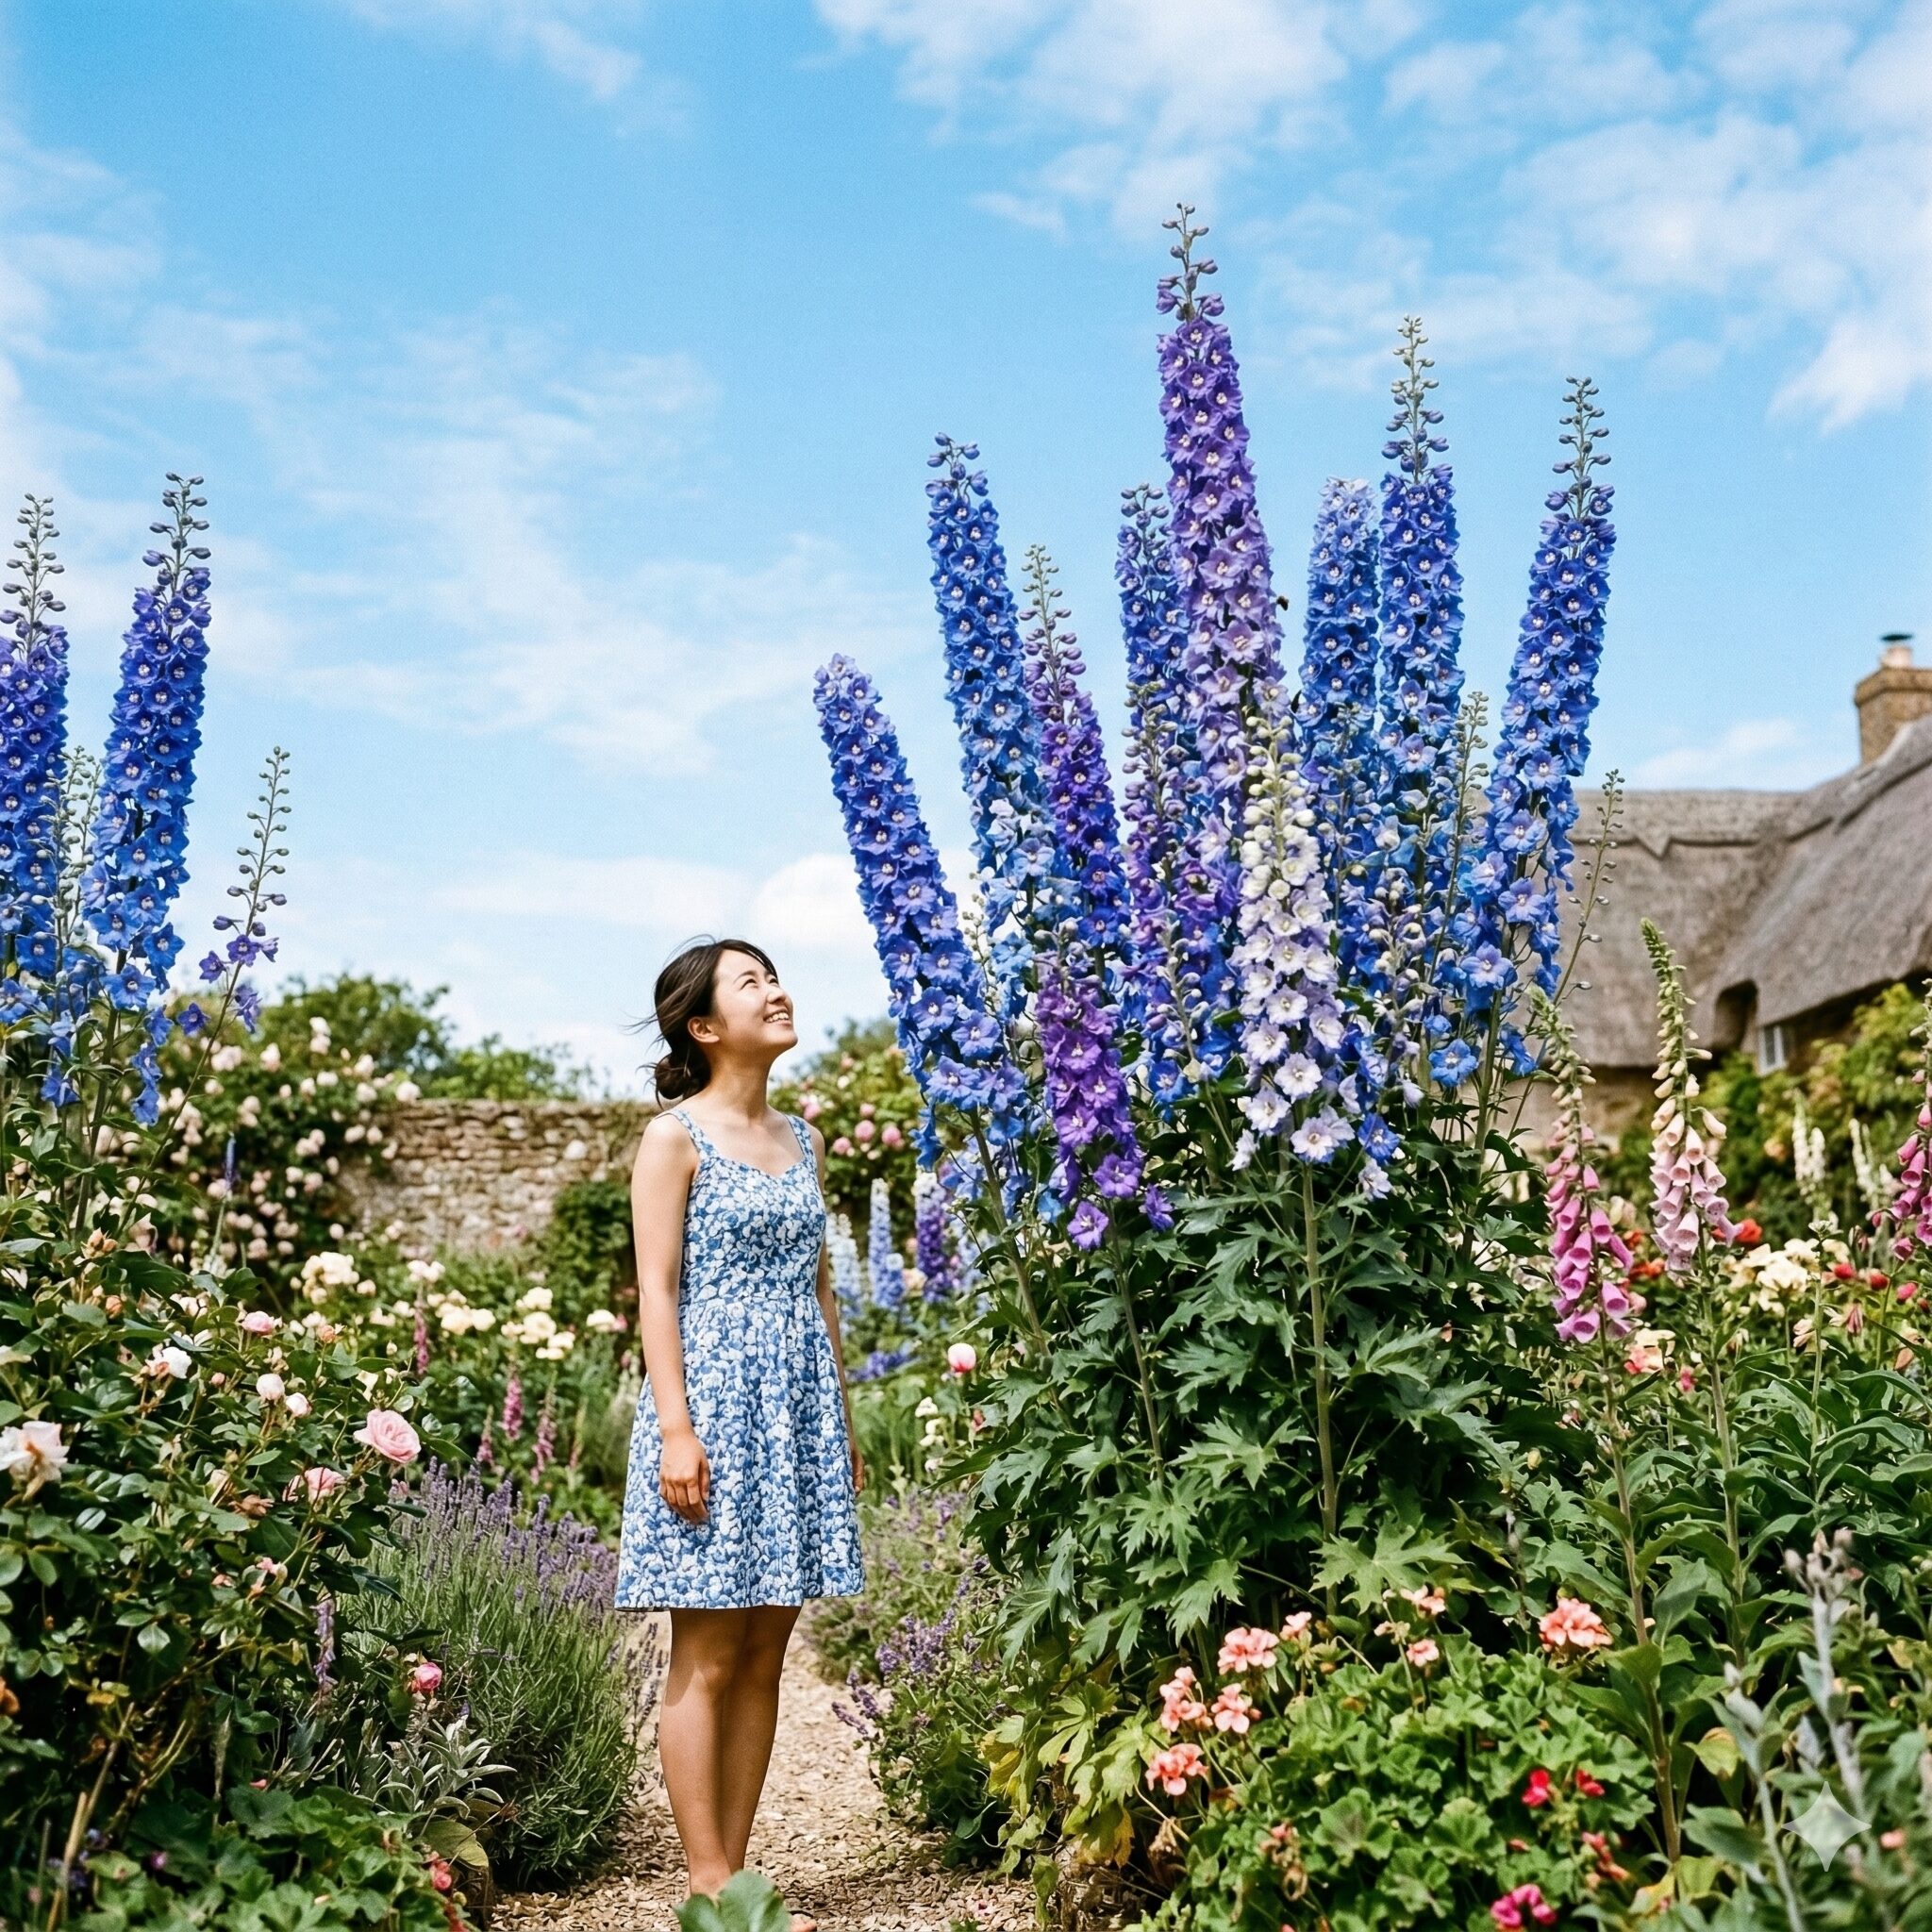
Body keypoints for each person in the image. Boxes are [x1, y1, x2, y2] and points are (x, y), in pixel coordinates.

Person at [616, 936, 864, 1920]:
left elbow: (820, 1286)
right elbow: (655, 1287)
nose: (775, 990)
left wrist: (839, 1417)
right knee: (707, 1650)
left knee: (768, 1647)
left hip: (795, 1406)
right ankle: (705, 1881)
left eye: (773, 974)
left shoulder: (804, 1137)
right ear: (704, 1024)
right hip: (712, 1406)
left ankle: (740, 1874)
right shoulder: (672, 1136)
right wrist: (676, 1427)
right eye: (750, 981)